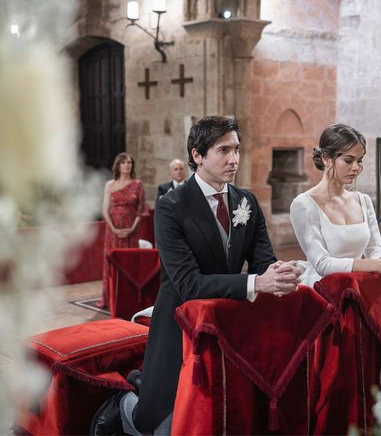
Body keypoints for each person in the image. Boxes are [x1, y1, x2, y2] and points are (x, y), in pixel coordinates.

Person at [91, 116, 303, 435]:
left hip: (226, 323)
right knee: (162, 425)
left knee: (218, 414)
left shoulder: (247, 202)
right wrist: (256, 283)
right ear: (197, 155)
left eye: (237, 149)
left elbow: (264, 263)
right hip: (178, 324)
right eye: (223, 150)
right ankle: (123, 405)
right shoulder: (171, 206)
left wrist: (280, 273)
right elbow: (188, 283)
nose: (234, 159)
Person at [290, 123, 381, 288]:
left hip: (357, 284)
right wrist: (378, 265)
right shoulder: (304, 205)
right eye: (348, 160)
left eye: (359, 161)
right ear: (326, 158)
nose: (356, 168)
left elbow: (374, 248)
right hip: (322, 289)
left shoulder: (363, 200)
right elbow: (322, 264)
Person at [99, 152, 149, 309]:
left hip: (131, 230)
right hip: (112, 231)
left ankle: (130, 297)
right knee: (111, 262)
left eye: (129, 162)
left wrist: (132, 229)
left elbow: (142, 209)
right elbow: (105, 209)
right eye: (124, 162)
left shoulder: (138, 184)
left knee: (130, 263)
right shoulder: (110, 185)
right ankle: (109, 297)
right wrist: (113, 228)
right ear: (118, 165)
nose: (127, 165)